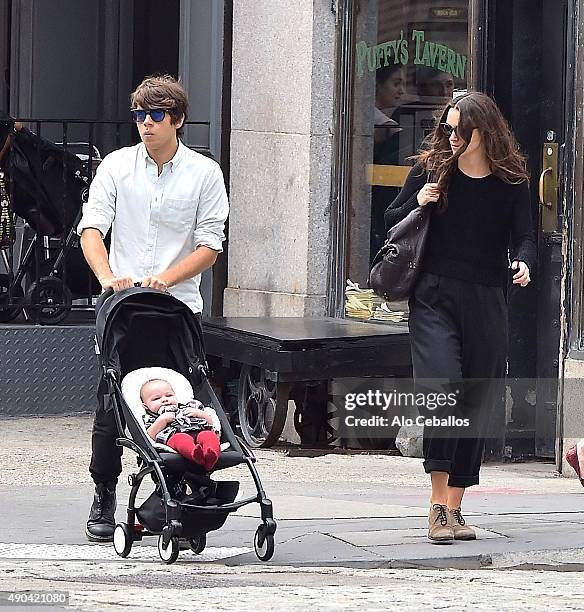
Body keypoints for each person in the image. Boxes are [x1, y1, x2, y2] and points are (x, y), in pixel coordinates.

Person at [78, 74, 229, 542]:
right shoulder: (117, 167)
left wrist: (167, 278)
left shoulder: (204, 174)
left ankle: (178, 500)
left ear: (178, 120)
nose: (145, 123)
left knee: (181, 405)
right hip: (122, 309)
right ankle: (104, 492)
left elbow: (210, 245)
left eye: (156, 115)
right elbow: (92, 228)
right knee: (111, 406)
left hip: (175, 310)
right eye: (139, 115)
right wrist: (107, 280)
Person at [384, 92, 535, 543]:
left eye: (458, 130)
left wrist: (526, 262)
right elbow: (391, 221)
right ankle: (435, 504)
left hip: (488, 297)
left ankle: (455, 506)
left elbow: (525, 235)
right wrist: (419, 203)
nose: (450, 137)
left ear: (482, 132)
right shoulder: (431, 170)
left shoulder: (511, 180)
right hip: (433, 294)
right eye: (447, 128)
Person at [140, 379, 221, 472]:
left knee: (209, 435)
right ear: (146, 406)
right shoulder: (151, 417)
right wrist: (162, 420)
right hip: (175, 435)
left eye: (169, 395)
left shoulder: (190, 406)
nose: (165, 399)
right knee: (181, 439)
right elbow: (150, 434)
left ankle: (211, 455)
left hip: (199, 430)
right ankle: (194, 454)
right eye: (156, 398)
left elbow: (211, 422)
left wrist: (199, 413)